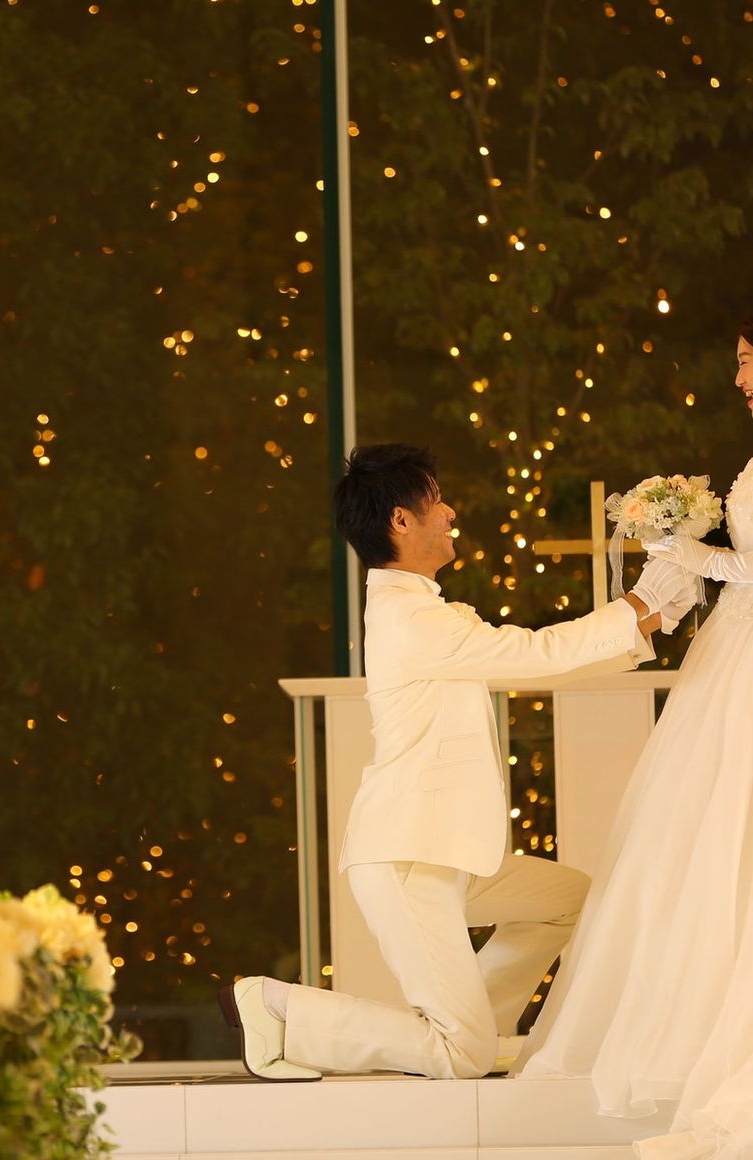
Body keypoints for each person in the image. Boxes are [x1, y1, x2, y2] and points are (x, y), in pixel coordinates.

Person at [218, 442, 697, 1082]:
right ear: (400, 520)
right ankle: (277, 1007)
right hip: (408, 858)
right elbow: (536, 654)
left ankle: (476, 1032)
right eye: (437, 500)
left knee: (570, 901)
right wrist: (640, 605)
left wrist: (650, 617)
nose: (450, 513)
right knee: (458, 1055)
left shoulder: (419, 609)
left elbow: (545, 665)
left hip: (446, 855)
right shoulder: (410, 618)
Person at [514, 318, 753, 1160]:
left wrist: (694, 550)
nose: (740, 380)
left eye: (748, 361)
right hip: (731, 656)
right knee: (698, 832)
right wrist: (681, 548)